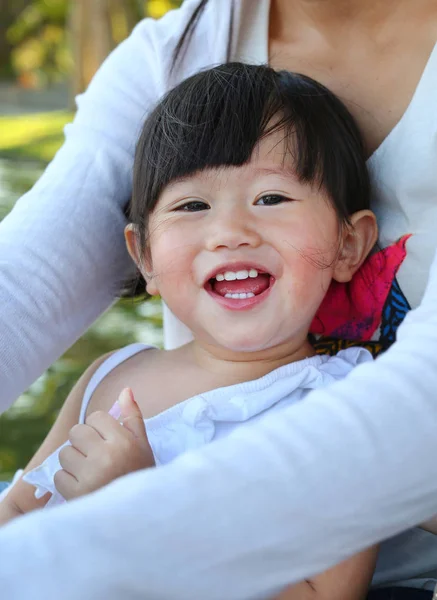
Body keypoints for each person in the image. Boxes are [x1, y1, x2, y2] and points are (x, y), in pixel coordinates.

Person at [1, 0, 437, 598]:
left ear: (351, 244)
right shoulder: (114, 377)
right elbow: (18, 512)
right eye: (191, 206)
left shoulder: (330, 401)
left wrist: (137, 516)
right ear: (144, 256)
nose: (230, 231)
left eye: (272, 199)